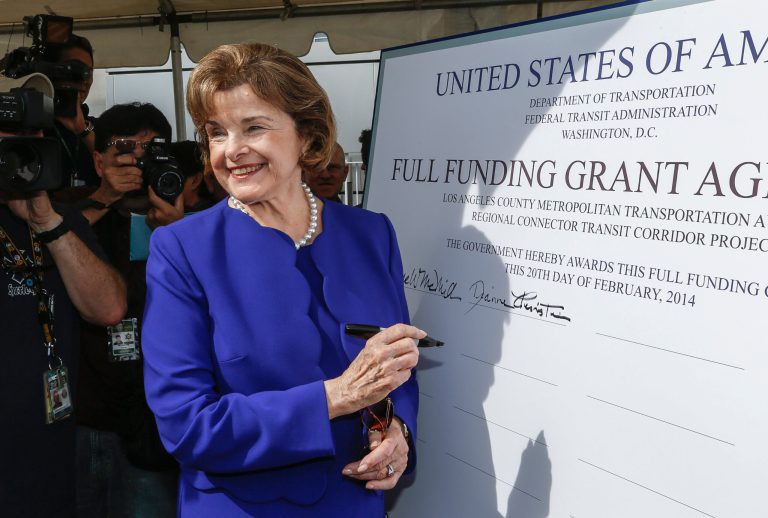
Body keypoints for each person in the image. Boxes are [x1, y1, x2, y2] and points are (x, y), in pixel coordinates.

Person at [142, 42, 425, 516]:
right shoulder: (183, 250)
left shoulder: (371, 234)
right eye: (216, 133)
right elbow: (187, 425)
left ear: (307, 134)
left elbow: (396, 363)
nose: (232, 150)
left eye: (253, 127)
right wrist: (336, 397)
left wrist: (398, 432)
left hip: (356, 504)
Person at [0, 74, 127, 516]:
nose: (25, 143)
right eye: (9, 131)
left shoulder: (60, 217)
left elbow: (109, 308)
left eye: (34, 132)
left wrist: (47, 223)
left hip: (49, 464)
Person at [75, 103, 179, 517]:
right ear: (99, 162)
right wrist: (104, 199)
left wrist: (176, 232)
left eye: (150, 150)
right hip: (84, 413)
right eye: (125, 149)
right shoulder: (72, 211)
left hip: (154, 419)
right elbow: (43, 243)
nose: (138, 160)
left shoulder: (186, 217)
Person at [43, 34, 99, 189]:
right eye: (75, 69)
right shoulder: (30, 126)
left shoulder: (101, 128)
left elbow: (114, 171)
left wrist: (83, 131)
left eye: (89, 72)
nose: (85, 80)